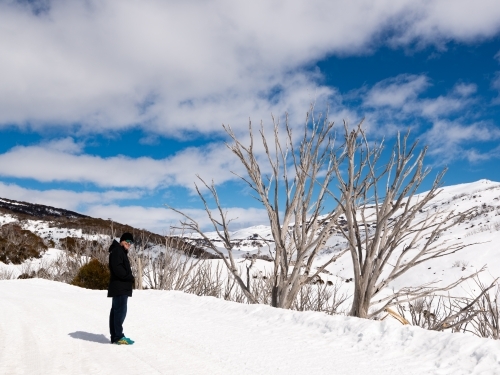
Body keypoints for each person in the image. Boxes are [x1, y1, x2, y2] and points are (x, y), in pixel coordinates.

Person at [108, 232, 135, 345]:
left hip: (120, 287)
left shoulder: (119, 251)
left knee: (116, 311)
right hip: (120, 287)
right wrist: (129, 277)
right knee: (120, 312)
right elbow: (117, 269)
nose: (129, 244)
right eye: (127, 241)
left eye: (130, 242)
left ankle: (115, 336)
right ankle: (118, 336)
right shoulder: (117, 251)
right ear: (122, 241)